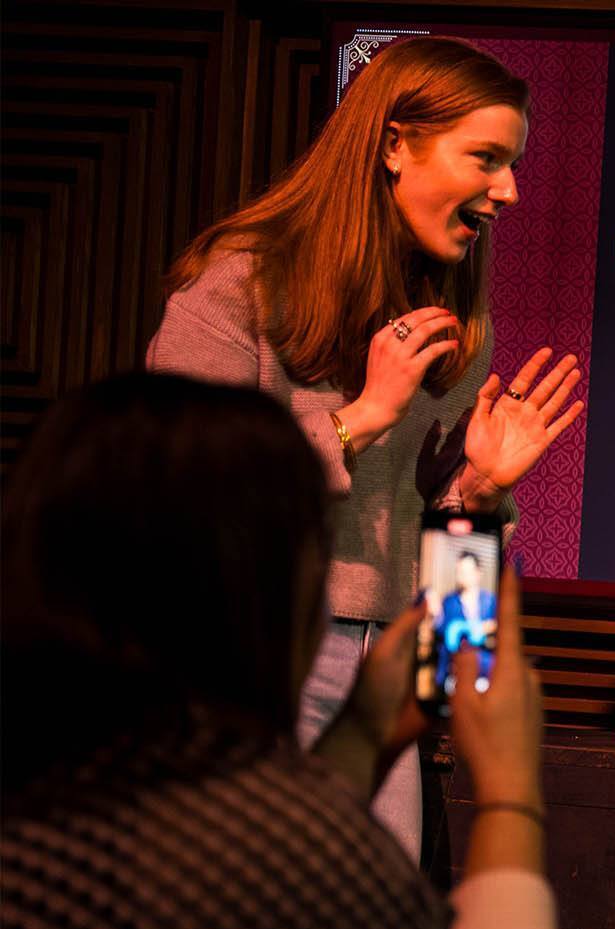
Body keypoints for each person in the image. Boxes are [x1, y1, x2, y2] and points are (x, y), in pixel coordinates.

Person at [0, 374, 579, 929]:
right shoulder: (258, 871)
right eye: (316, 549)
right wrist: (511, 795)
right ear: (272, 600)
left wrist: (363, 737)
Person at [145, 35, 583, 859]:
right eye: (486, 158)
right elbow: (174, 496)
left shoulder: (455, 330)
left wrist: (481, 496)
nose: (510, 190)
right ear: (393, 146)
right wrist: (360, 419)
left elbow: (455, 631)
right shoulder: (239, 286)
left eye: (513, 164)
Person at [435, 550, 500, 693]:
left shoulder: (490, 600)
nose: (463, 576)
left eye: (467, 571)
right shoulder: (449, 601)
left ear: (478, 573)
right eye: (460, 572)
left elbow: (500, 630)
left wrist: (489, 628)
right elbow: (442, 634)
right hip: (455, 669)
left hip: (484, 670)